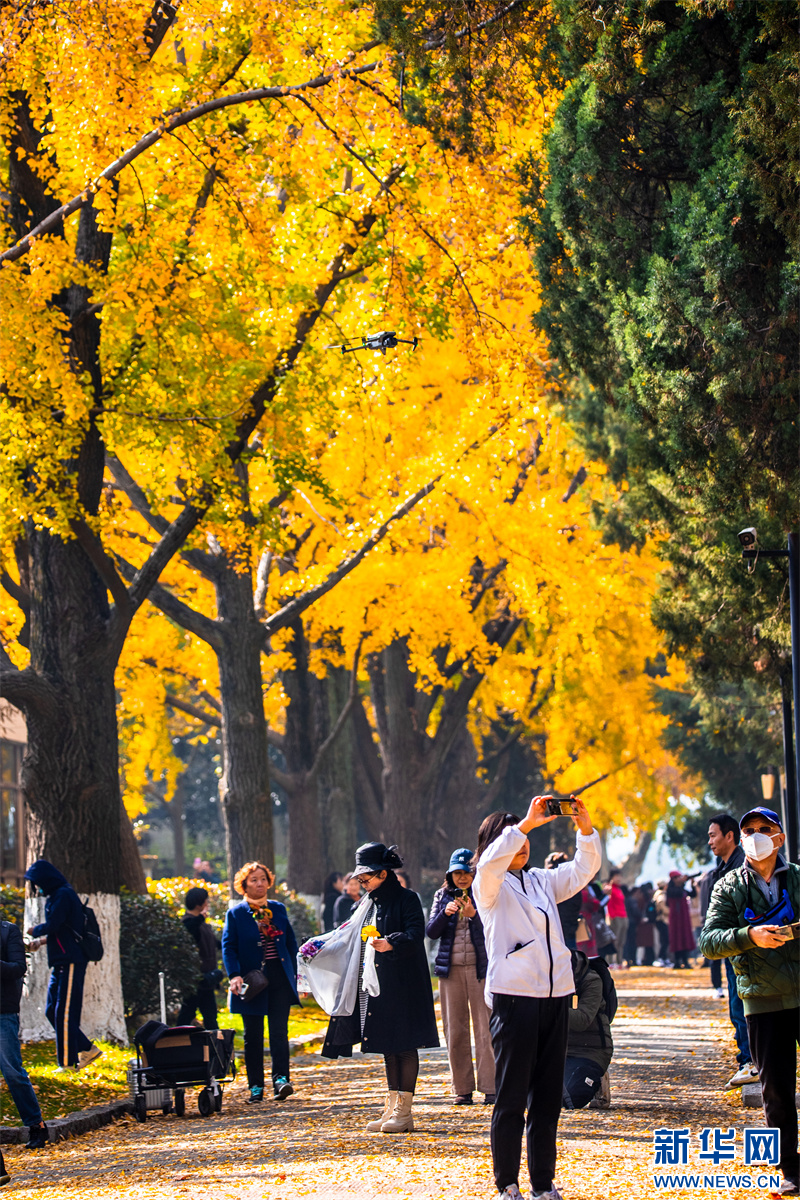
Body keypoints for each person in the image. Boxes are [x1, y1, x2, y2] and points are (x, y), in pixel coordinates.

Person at [473, 795, 601, 1200]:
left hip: (555, 996)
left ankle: (542, 1183)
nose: (522, 844)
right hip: (514, 999)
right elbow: (493, 862)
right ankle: (506, 1183)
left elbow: (583, 870)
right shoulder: (488, 885)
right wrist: (525, 823)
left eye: (526, 838)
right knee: (511, 1096)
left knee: (548, 1097)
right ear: (494, 844)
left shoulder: (542, 881)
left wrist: (584, 828)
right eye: (511, 837)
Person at [699, 807, 800, 1197]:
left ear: (780, 837)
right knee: (776, 1091)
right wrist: (749, 935)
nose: (758, 835)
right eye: (750, 830)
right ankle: (789, 1169)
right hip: (762, 1001)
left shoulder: (797, 878)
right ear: (741, 841)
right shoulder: (729, 887)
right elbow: (709, 942)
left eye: (765, 829)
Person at [320, 842, 439, 1134]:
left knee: (405, 1044)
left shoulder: (407, 899)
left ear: (383, 874)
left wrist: (391, 943)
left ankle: (405, 1111)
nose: (362, 884)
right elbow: (347, 934)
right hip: (376, 983)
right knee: (387, 1044)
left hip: (403, 982)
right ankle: (391, 1104)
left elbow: (415, 933)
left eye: (366, 879)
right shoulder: (368, 903)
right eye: (360, 880)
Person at [222, 861, 299, 1102]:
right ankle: (255, 1086)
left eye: (263, 879)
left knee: (279, 1032)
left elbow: (290, 944)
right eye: (254, 880)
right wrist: (234, 974)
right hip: (252, 981)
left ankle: (281, 1080)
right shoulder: (236, 913)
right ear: (244, 885)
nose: (260, 883)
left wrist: (298, 977)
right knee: (252, 1036)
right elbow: (229, 947)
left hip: (279, 978)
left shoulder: (278, 909)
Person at [426, 847, 493, 1106]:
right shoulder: (441, 896)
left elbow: (496, 928)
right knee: (455, 1030)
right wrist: (447, 913)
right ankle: (462, 1089)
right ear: (450, 874)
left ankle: (490, 1086)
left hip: (481, 970)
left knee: (485, 1029)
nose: (462, 878)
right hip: (450, 971)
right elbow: (431, 932)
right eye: (457, 873)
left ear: (475, 873)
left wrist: (474, 915)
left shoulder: (485, 894)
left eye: (467, 872)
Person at [23, 860, 102, 1072]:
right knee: (52, 1010)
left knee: (65, 1012)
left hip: (71, 960)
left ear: (45, 880)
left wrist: (35, 930)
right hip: (60, 961)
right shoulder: (57, 895)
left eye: (37, 883)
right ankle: (86, 1048)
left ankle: (67, 1063)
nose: (36, 888)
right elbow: (63, 930)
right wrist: (41, 942)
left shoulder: (63, 895)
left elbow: (55, 925)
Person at [706, 812, 754, 1085]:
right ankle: (746, 1059)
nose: (710, 841)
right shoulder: (721, 867)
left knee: (741, 1004)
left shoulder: (742, 866)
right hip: (728, 945)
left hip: (741, 945)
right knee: (736, 1005)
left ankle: (750, 1061)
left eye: (713, 835)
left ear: (730, 836)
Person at [0, 917, 48, 1150]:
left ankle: (36, 1125)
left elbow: (19, 968)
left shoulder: (8, 931)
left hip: (3, 1012)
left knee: (12, 1072)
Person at [562, 951, 613, 1109]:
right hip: (558, 1052)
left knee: (569, 1099)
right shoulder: (545, 979)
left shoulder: (591, 980)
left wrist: (551, 1006)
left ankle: (598, 1080)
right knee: (536, 1098)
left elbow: (582, 1021)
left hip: (590, 1050)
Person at [176, 887, 221, 1029]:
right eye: (206, 901)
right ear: (199, 904)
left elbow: (216, 944)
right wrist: (201, 917)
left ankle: (215, 1049)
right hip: (195, 980)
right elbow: (189, 932)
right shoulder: (189, 922)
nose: (208, 904)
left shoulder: (202, 924)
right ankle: (174, 1044)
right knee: (187, 1014)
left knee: (210, 1016)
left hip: (206, 980)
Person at [544, 852, 582, 952]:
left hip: (551, 931)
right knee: (572, 962)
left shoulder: (545, 882)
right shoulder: (572, 882)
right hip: (571, 928)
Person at [666, 870, 695, 969]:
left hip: (684, 918)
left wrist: (692, 884)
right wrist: (683, 883)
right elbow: (676, 893)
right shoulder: (670, 890)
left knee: (685, 937)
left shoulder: (683, 890)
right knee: (676, 938)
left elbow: (693, 894)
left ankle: (685, 961)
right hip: (675, 918)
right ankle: (677, 961)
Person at [603, 868, 628, 968]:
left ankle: (619, 961)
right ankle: (610, 962)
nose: (619, 878)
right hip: (614, 917)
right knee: (614, 940)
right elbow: (608, 902)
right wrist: (611, 916)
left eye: (620, 876)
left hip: (623, 916)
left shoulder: (619, 889)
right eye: (616, 876)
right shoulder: (609, 888)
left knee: (621, 941)